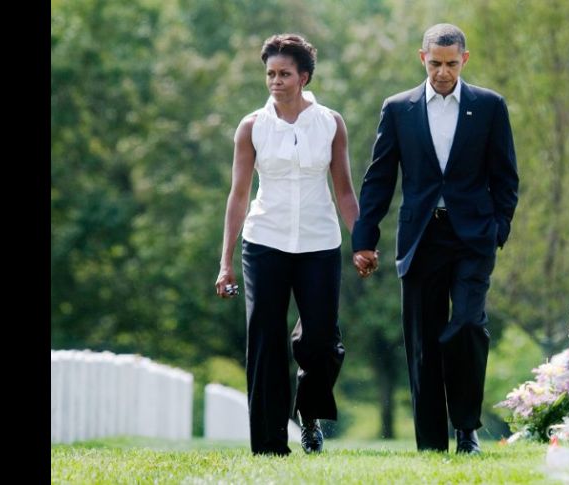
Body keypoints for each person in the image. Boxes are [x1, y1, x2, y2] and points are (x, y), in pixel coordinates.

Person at [352, 23, 518, 454]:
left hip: (472, 238)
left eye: (450, 63)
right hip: (420, 237)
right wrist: (363, 240)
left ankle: (466, 428)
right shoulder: (398, 108)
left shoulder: (488, 106)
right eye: (434, 63)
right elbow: (379, 179)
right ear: (421, 58)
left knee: (466, 325)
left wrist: (499, 229)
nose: (442, 72)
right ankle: (430, 444)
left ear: (465, 59)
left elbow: (505, 176)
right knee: (423, 342)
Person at [215, 33, 359, 456]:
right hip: (265, 241)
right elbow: (238, 196)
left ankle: (309, 415)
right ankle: (270, 444)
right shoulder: (251, 127)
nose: (275, 81)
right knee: (264, 338)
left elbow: (345, 192)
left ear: (304, 77)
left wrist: (362, 242)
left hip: (319, 242)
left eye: (284, 74)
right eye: (270, 74)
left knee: (319, 341)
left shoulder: (331, 123)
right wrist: (225, 262)